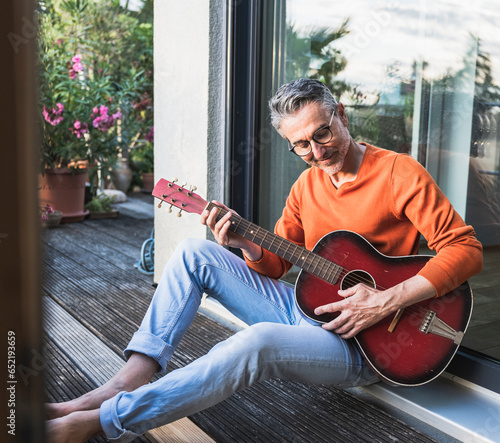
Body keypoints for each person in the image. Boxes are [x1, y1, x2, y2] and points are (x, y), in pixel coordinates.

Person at [46, 79, 483, 442]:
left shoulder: (397, 173)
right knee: (193, 252)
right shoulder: (305, 188)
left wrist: (387, 300)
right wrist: (245, 242)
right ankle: (128, 379)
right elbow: (275, 265)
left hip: (367, 345)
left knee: (256, 344)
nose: (316, 151)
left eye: (322, 133)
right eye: (301, 145)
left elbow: (465, 249)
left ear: (342, 116)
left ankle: (101, 422)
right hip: (306, 309)